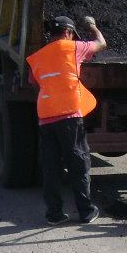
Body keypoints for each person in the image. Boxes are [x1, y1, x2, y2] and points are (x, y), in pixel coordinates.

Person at [25, 15, 107, 225]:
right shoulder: (73, 48)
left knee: (51, 166)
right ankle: (86, 212)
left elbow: (33, 81)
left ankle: (54, 214)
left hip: (45, 115)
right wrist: (92, 26)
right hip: (69, 114)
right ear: (69, 33)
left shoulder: (37, 57)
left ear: (50, 34)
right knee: (78, 162)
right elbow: (101, 44)